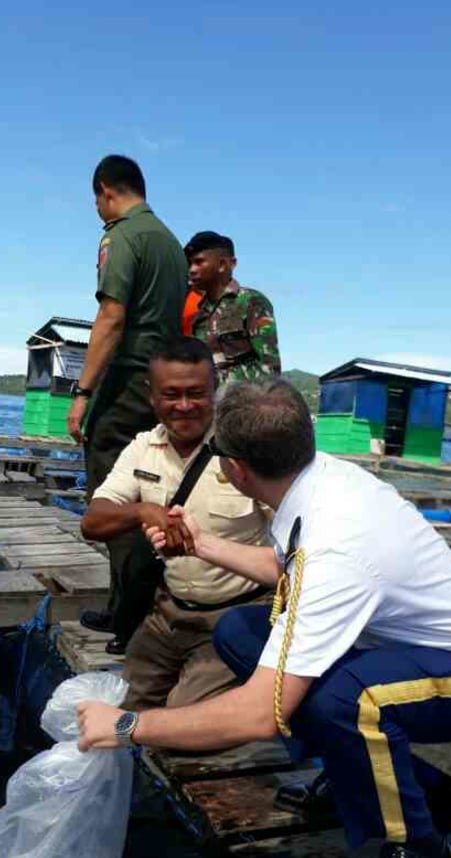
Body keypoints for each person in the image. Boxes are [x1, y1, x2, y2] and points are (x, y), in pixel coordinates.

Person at [77, 380, 451, 858]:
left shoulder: (335, 544)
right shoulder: (316, 482)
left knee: (349, 700)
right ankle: (347, 775)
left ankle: (420, 853)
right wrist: (201, 543)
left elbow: (259, 715)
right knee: (241, 630)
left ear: (235, 469)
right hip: (397, 652)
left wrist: (126, 726)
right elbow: (285, 568)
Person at [81, 338, 271, 699]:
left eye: (196, 393)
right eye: (171, 395)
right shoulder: (142, 448)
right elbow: (92, 522)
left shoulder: (248, 450)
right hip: (168, 610)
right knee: (126, 703)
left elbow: (297, 547)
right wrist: (143, 510)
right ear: (151, 396)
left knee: (185, 713)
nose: (184, 406)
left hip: (238, 613)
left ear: (215, 391)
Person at [70, 154, 187, 636]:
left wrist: (83, 392)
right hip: (159, 386)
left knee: (113, 497)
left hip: (125, 383)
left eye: (97, 200)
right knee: (152, 489)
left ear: (106, 190)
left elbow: (112, 317)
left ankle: (128, 616)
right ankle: (137, 608)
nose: (98, 209)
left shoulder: (122, 236)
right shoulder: (171, 243)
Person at [185, 231, 281, 384]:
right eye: (190, 263)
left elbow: (269, 369)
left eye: (199, 262)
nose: (192, 270)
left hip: (246, 397)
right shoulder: (199, 316)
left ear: (223, 265)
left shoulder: (251, 302)